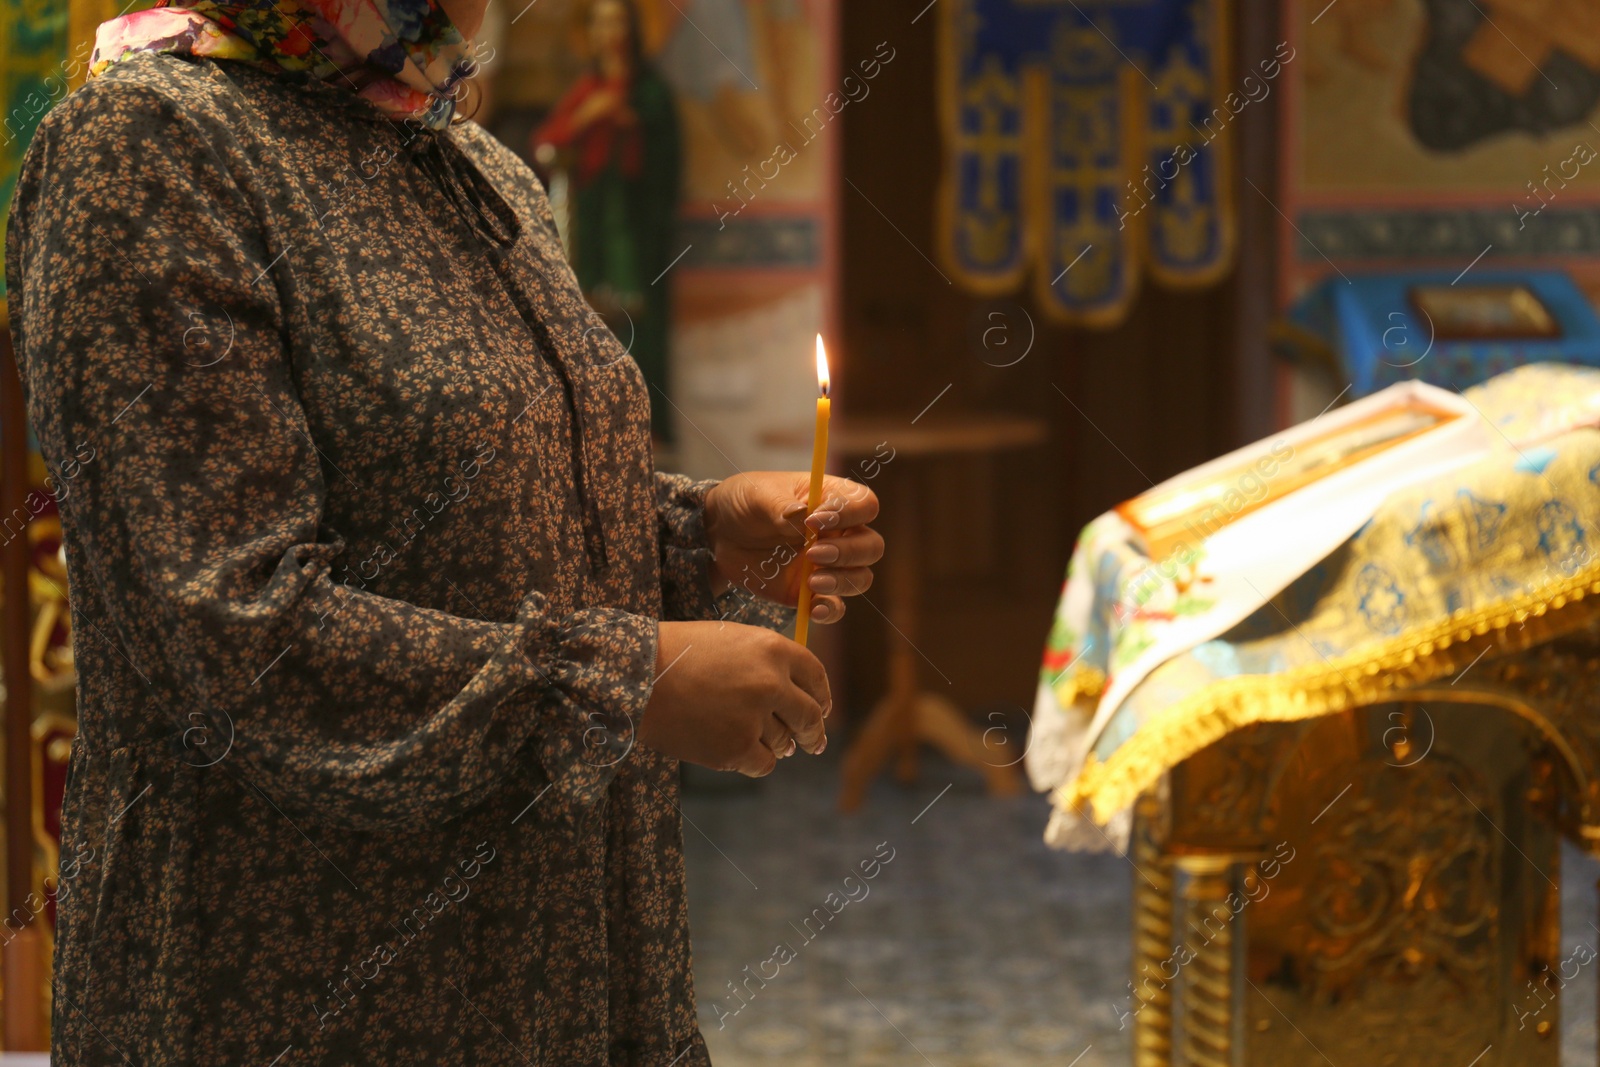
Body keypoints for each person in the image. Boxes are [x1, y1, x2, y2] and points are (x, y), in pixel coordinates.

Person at [2, 0, 881, 1063]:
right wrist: (621, 679)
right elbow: (228, 628)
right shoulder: (151, 148)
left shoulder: (460, 153)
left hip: (563, 961)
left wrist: (697, 534)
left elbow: (465, 514)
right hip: (303, 985)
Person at [533, 0, 680, 444]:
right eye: (600, 24)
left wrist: (632, 123)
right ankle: (597, 427)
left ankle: (644, 430)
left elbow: (668, 161)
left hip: (636, 223)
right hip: (591, 222)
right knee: (591, 316)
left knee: (638, 317)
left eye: (617, 22)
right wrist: (588, 116)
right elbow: (547, 145)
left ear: (632, 30)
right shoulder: (586, 88)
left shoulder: (652, 93)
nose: (609, 33)